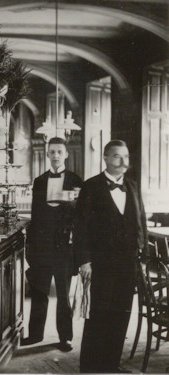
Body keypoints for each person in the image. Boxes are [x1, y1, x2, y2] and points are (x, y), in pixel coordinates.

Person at [74, 140, 148, 373]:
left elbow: (141, 222)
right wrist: (84, 260)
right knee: (99, 314)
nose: (123, 161)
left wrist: (143, 257)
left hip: (128, 264)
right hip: (101, 263)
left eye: (126, 156)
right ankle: (90, 366)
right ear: (105, 158)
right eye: (117, 156)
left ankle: (111, 364)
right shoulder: (91, 186)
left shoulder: (133, 185)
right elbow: (81, 226)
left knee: (121, 313)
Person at [22, 137, 83, 352]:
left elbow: (81, 217)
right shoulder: (39, 181)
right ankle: (35, 334)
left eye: (60, 151)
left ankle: (65, 337)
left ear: (66, 154)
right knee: (39, 291)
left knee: (64, 294)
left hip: (65, 247)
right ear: (47, 154)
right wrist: (30, 247)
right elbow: (35, 216)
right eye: (52, 152)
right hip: (42, 246)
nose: (56, 155)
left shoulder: (77, 181)